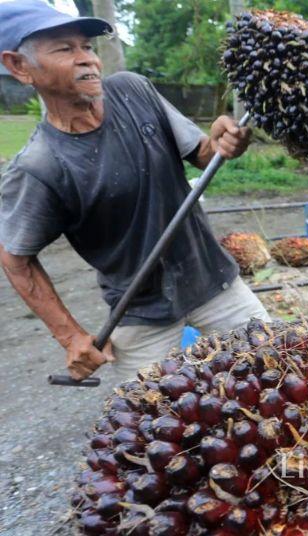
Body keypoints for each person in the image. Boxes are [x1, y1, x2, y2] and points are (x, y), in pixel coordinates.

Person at [0, 0, 271, 382]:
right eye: (65, 49)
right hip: (140, 311)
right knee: (156, 422)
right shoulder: (39, 167)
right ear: (19, 66)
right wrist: (70, 336)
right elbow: (15, 258)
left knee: (276, 369)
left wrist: (222, 139)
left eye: (88, 47)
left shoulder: (133, 90)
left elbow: (204, 154)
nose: (87, 60)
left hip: (215, 283)